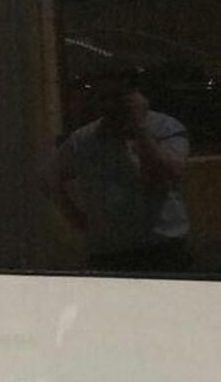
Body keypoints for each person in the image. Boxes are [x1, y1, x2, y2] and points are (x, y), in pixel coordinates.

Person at [53, 70, 192, 272]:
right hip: (109, 252)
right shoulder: (83, 139)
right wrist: (80, 221)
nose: (109, 105)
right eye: (103, 98)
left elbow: (166, 175)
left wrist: (140, 129)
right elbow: (49, 180)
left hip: (162, 246)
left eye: (117, 97)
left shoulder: (164, 128)